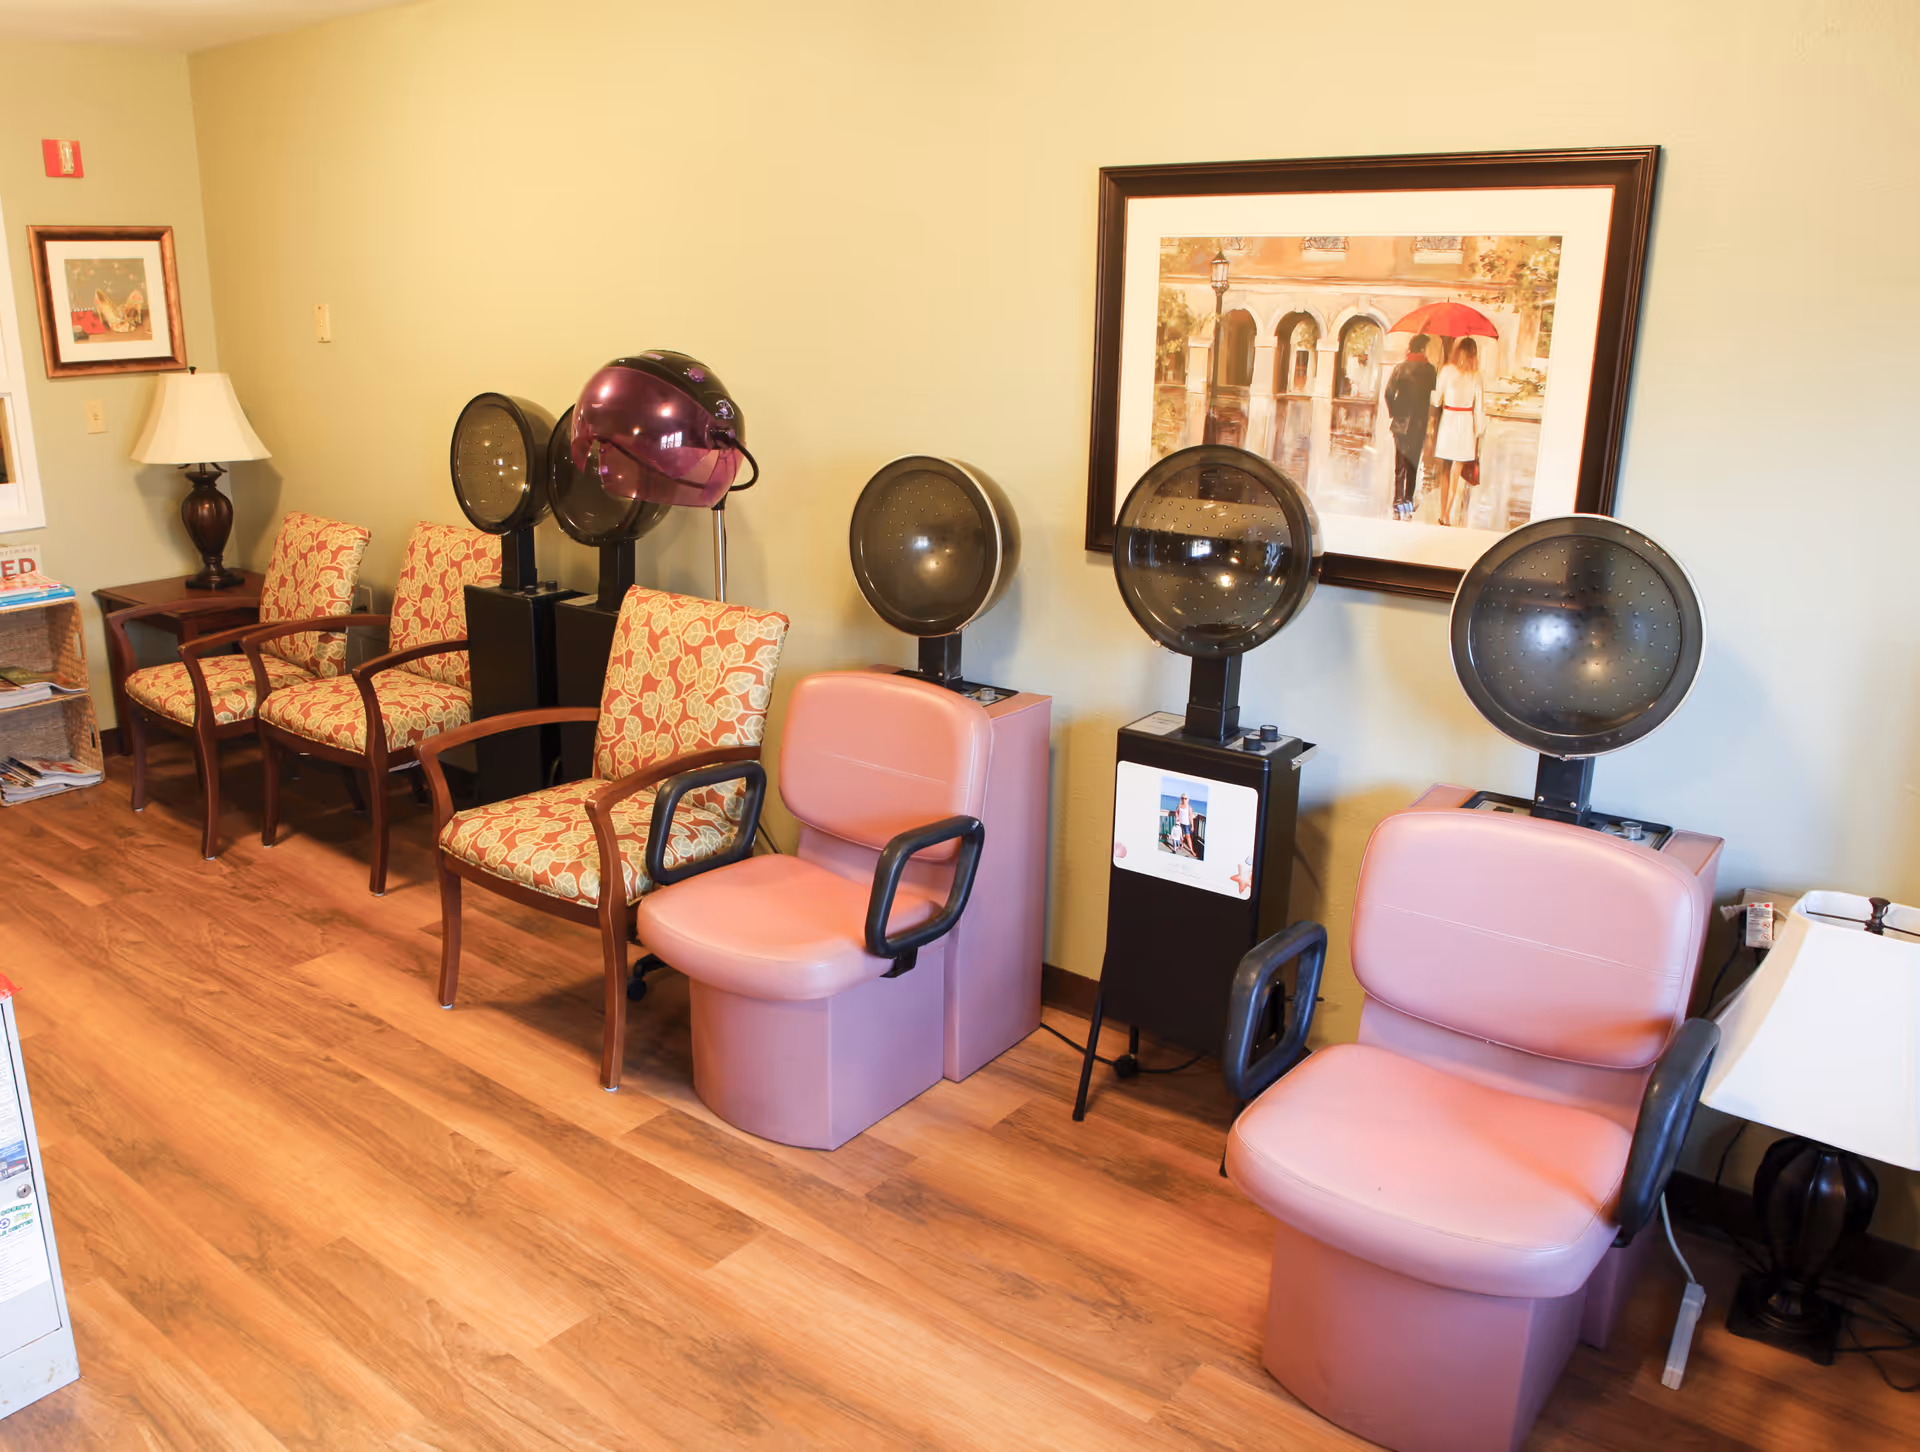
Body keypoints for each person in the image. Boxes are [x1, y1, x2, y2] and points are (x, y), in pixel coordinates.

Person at [1432, 337, 1486, 527]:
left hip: (1449, 419)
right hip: (1466, 421)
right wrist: (1479, 433)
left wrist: (1434, 393)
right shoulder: (1476, 375)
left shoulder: (1446, 370)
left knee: (1445, 469)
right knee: (1456, 471)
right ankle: (1447, 513)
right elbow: (1479, 407)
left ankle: (1442, 512)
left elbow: (1437, 400)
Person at [1384, 334, 1437, 521]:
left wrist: (1395, 412)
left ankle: (1397, 503)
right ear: (1423, 349)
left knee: (1399, 465)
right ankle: (1407, 501)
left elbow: (1388, 393)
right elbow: (1432, 396)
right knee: (1413, 464)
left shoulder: (1400, 368)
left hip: (1400, 422)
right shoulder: (1430, 370)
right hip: (1419, 423)